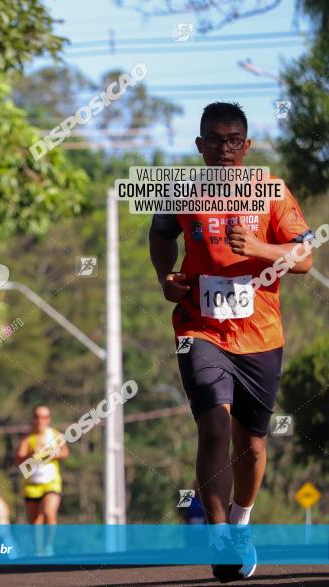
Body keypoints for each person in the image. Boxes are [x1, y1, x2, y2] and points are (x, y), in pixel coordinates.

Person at [149, 102, 314, 582]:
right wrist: (166, 278)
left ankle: (241, 522)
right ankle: (219, 536)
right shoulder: (181, 190)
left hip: (261, 334)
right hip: (199, 328)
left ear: (247, 144)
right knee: (214, 428)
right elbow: (160, 233)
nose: (225, 149)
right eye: (215, 140)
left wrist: (262, 249)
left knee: (253, 444)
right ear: (200, 145)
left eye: (234, 140)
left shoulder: (271, 190)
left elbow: (303, 256)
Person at [15, 405, 68, 530]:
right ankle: (39, 549)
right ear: (33, 418)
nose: (40, 421)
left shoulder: (54, 435)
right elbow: (18, 459)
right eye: (37, 417)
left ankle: (48, 547)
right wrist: (32, 455)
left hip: (51, 482)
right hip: (31, 484)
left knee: (49, 512)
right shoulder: (27, 438)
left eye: (44, 417)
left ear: (49, 419)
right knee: (34, 522)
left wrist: (52, 454)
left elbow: (65, 452)